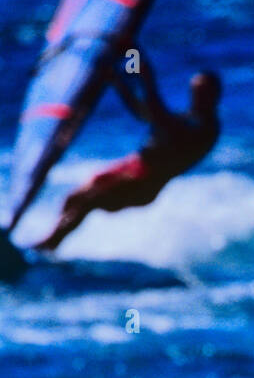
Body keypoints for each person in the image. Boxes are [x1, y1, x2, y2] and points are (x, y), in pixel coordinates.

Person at [35, 51, 221, 252]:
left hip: (143, 184)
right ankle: (48, 243)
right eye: (194, 91)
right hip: (133, 166)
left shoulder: (206, 129)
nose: (196, 97)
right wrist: (118, 82)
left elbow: (162, 119)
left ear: (213, 97)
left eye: (202, 93)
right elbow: (144, 113)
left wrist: (146, 77)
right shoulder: (188, 118)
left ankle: (47, 247)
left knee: (88, 201)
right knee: (74, 198)